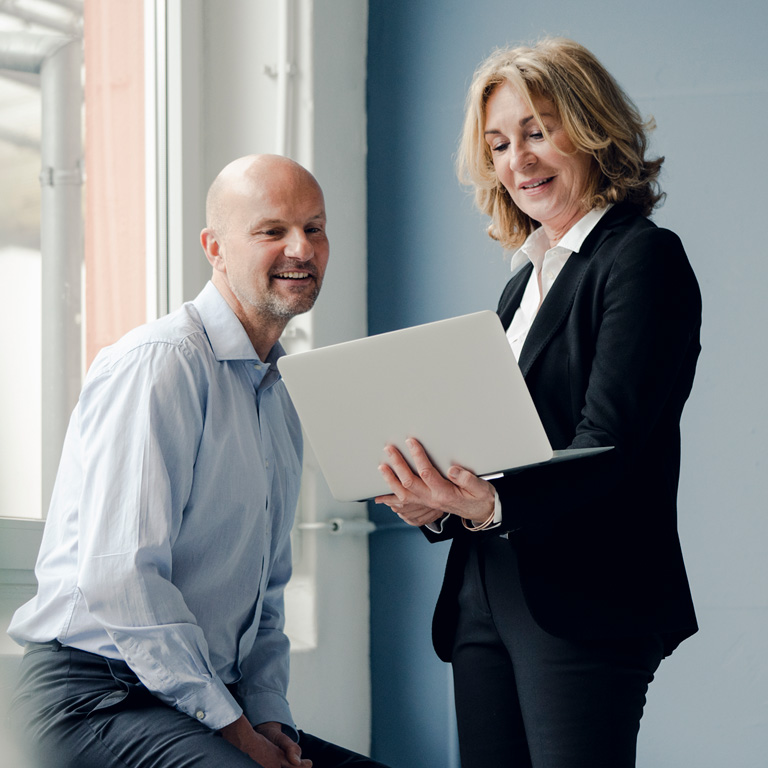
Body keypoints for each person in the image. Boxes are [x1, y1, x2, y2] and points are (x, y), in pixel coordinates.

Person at [376, 38, 701, 768]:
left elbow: (609, 441)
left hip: (586, 596)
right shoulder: (522, 285)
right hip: (484, 593)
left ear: (591, 129)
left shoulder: (642, 260)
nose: (517, 159)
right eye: (498, 143)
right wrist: (441, 499)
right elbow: (500, 445)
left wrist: (489, 503)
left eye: (537, 130)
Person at [8, 154, 388, 768]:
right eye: (272, 231)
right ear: (215, 248)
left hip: (196, 698)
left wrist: (269, 718)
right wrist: (237, 732)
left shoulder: (279, 392)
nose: (301, 248)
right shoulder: (161, 363)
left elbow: (266, 590)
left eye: (314, 228)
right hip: (92, 697)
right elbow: (121, 578)